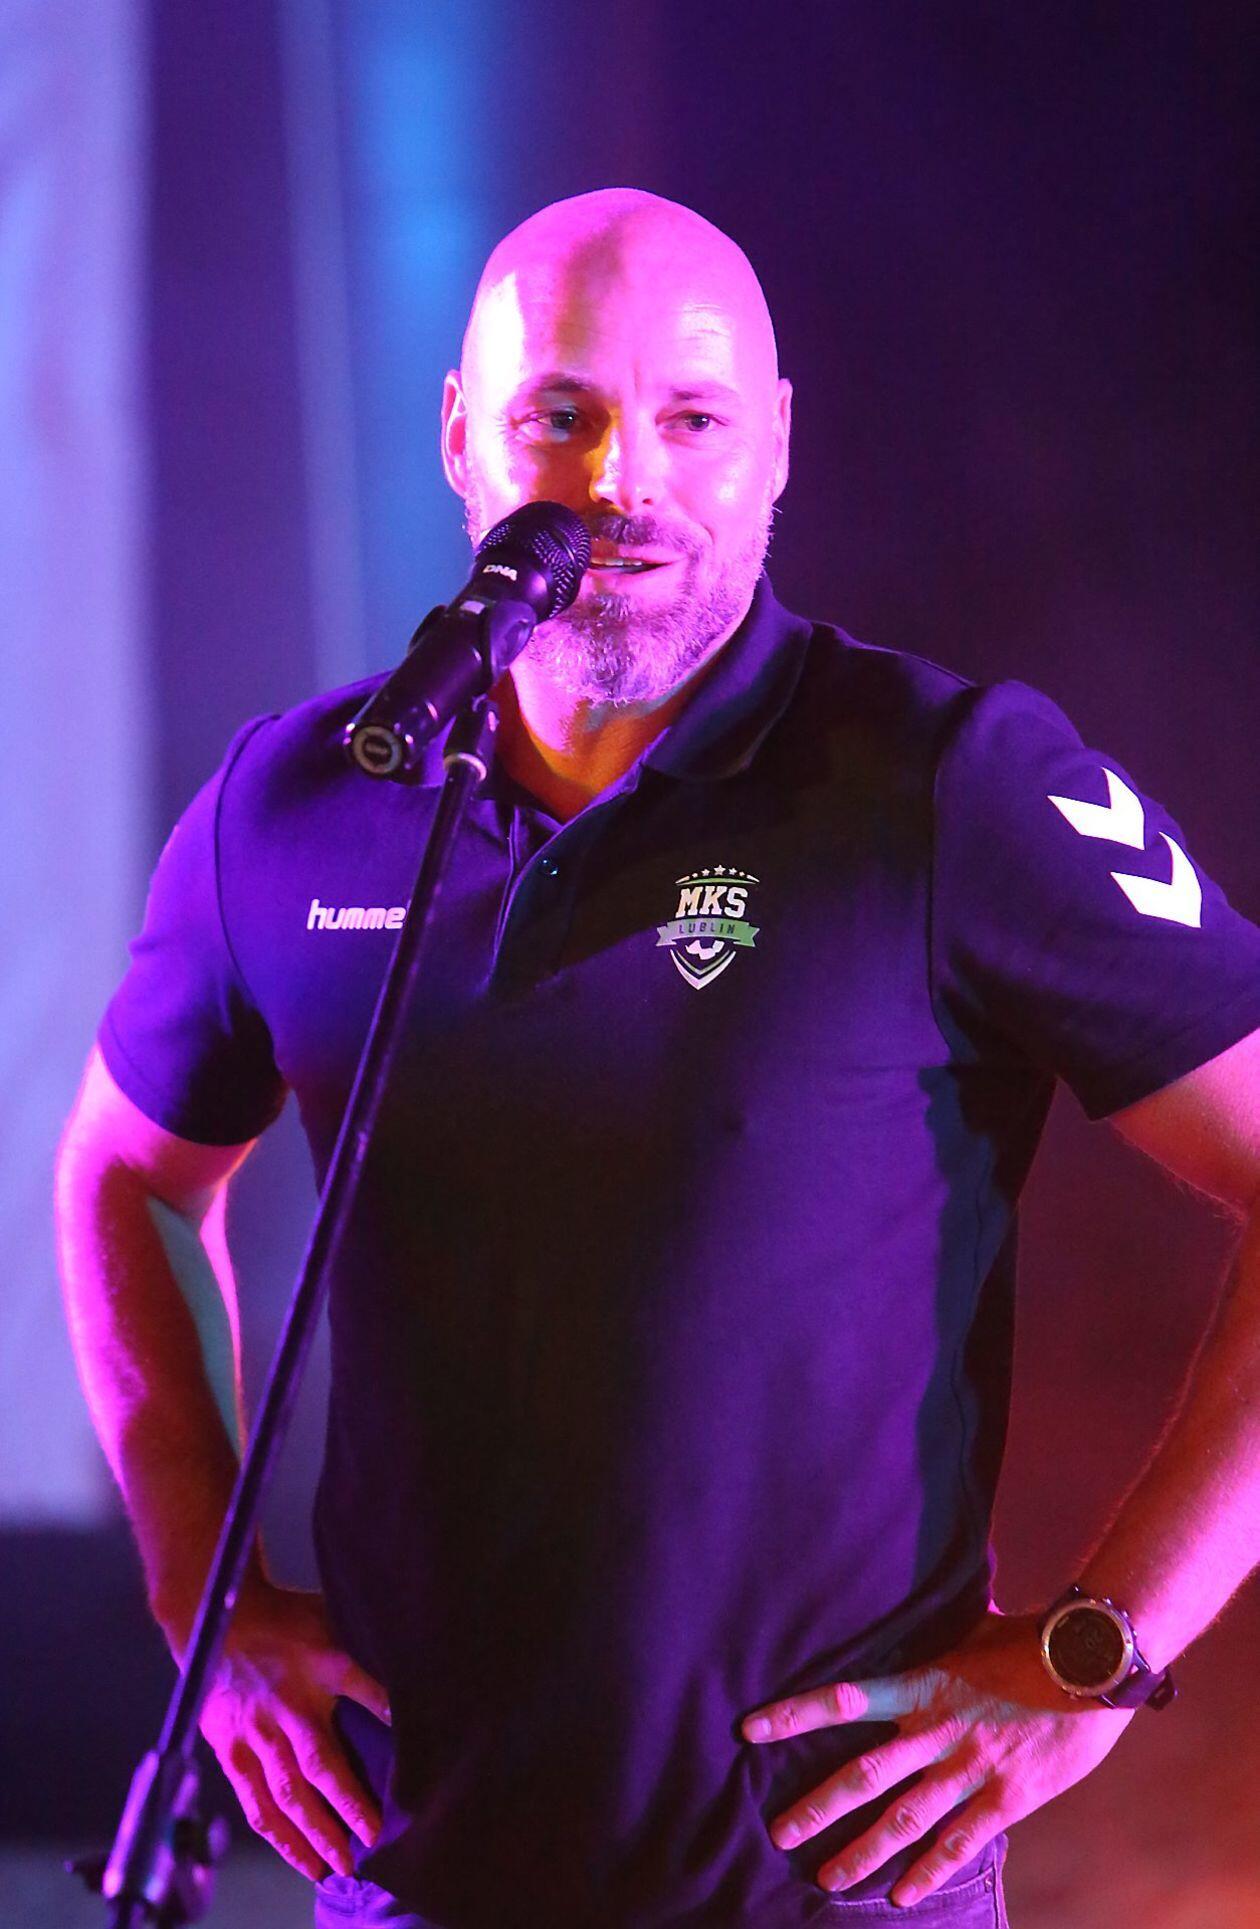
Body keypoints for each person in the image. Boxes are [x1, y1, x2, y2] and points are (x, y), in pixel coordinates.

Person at [55, 188, 1260, 1929]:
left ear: (779, 446)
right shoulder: (295, 805)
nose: (622, 481)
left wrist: (1098, 1654)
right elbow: (127, 1175)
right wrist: (205, 1590)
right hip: (414, 1882)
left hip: (830, 1888)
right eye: (560, 415)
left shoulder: (951, 784)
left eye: (692, 420)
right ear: (461, 436)